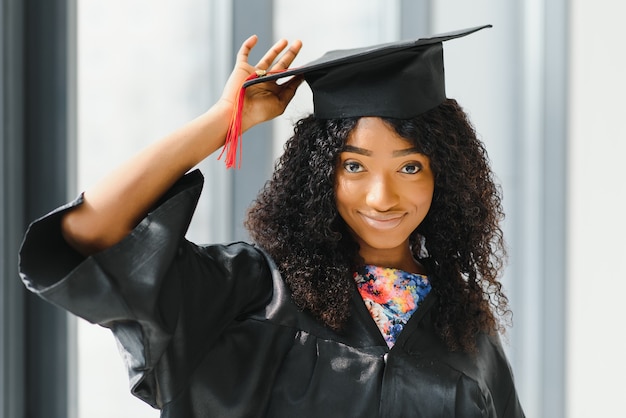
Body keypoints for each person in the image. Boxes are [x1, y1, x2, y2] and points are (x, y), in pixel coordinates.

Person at [19, 24, 525, 417]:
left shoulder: (465, 328)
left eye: (409, 167)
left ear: (448, 175)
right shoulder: (254, 293)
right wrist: (223, 119)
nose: (381, 195)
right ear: (320, 174)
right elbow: (88, 238)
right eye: (353, 165)